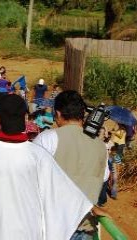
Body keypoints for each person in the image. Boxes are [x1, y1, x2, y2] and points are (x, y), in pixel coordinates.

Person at [0, 94, 94, 240]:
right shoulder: (37, 155)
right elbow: (67, 197)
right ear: (25, 117)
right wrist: (93, 208)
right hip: (24, 231)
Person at [33, 90, 107, 239]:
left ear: (58, 114)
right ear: (82, 114)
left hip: (53, 228)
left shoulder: (47, 138)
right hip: (85, 226)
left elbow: (32, 178)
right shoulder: (101, 146)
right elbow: (104, 177)